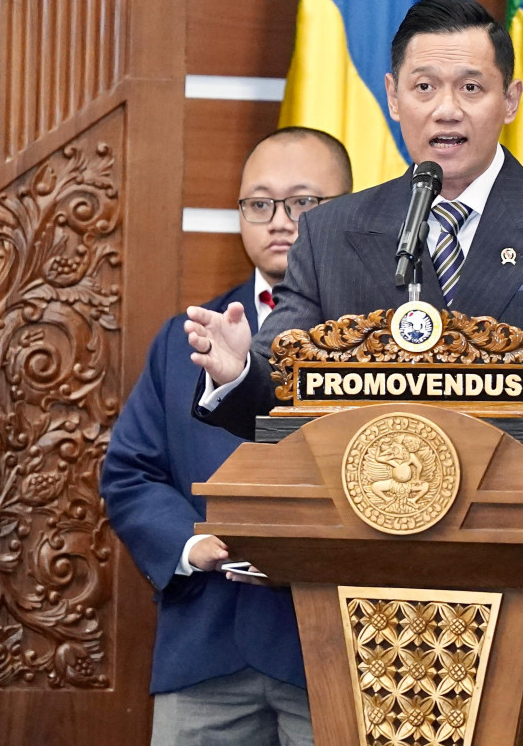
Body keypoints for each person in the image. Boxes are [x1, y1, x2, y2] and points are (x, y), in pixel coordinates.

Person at [185, 0, 523, 746]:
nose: (446, 109)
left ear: (510, 99)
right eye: (424, 87)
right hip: (363, 610)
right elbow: (290, 379)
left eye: (471, 87)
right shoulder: (335, 229)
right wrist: (239, 369)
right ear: (392, 96)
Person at [101, 127, 352, 746]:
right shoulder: (189, 337)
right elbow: (130, 474)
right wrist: (192, 545)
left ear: (352, 209)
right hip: (205, 647)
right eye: (259, 203)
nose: (279, 221)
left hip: (340, 653)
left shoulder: (386, 342)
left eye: (304, 203)